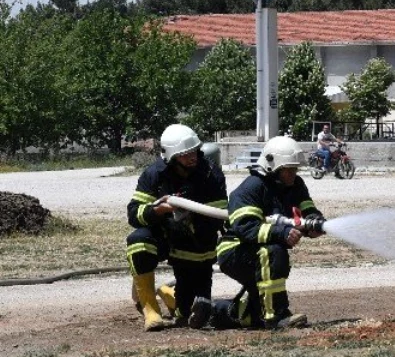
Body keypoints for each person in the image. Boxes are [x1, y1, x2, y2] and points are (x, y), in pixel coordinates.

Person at [212, 135, 325, 330]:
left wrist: (315, 223)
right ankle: (277, 317)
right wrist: (282, 233)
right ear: (272, 167)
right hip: (235, 250)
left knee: (255, 309)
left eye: (294, 169)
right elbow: (246, 228)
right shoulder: (251, 188)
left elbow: (307, 209)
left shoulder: (295, 185)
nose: (292, 174)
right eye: (287, 170)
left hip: (262, 249)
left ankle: (214, 312)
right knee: (272, 252)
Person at [126, 124, 228, 331]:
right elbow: (134, 214)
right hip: (163, 235)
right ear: (171, 157)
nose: (192, 157)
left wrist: (191, 217)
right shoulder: (154, 174)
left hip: (196, 242)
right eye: (185, 154)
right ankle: (151, 310)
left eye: (194, 151)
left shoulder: (210, 173)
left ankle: (173, 298)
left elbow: (219, 215)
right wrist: (159, 211)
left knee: (192, 312)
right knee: (138, 242)